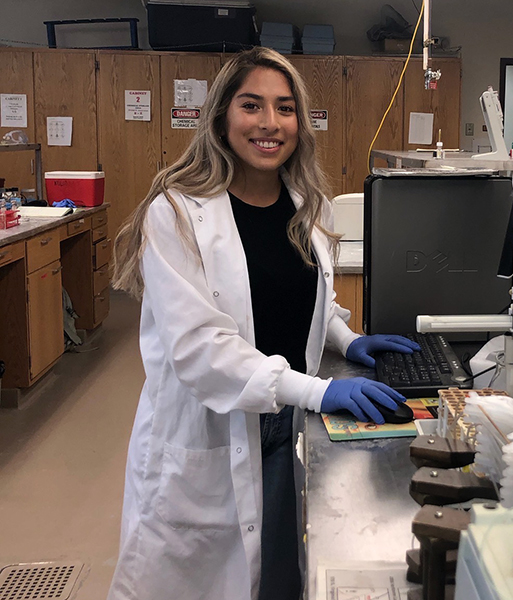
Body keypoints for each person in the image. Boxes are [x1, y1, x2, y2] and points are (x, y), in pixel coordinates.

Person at [107, 47, 419, 600]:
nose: (270, 124)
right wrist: (319, 391)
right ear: (223, 115)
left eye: (285, 108)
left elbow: (303, 299)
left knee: (280, 572)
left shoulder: (306, 205)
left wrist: (347, 337)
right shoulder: (177, 213)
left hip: (285, 423)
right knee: (204, 582)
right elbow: (202, 349)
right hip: (212, 433)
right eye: (252, 106)